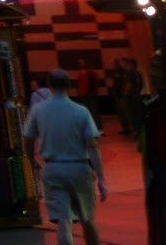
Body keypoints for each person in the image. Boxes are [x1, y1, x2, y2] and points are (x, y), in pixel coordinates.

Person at [22, 68, 107, 245]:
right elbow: (92, 145)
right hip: (80, 168)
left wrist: (33, 161)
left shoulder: (38, 110)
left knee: (63, 221)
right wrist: (101, 178)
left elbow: (28, 140)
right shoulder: (81, 111)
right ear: (69, 85)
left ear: (50, 85)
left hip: (53, 169)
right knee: (87, 220)